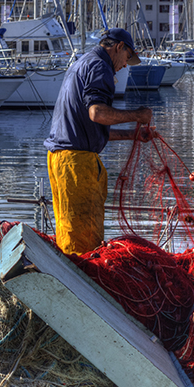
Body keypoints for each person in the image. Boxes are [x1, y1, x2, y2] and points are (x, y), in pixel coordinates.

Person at [44, 28, 154, 255]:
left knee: (70, 233)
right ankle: (77, 286)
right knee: (83, 244)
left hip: (63, 159)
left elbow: (92, 127)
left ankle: (69, 282)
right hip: (76, 165)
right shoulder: (100, 66)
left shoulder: (84, 62)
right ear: (119, 47)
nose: (125, 65)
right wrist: (137, 115)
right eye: (126, 58)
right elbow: (97, 113)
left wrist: (133, 135)